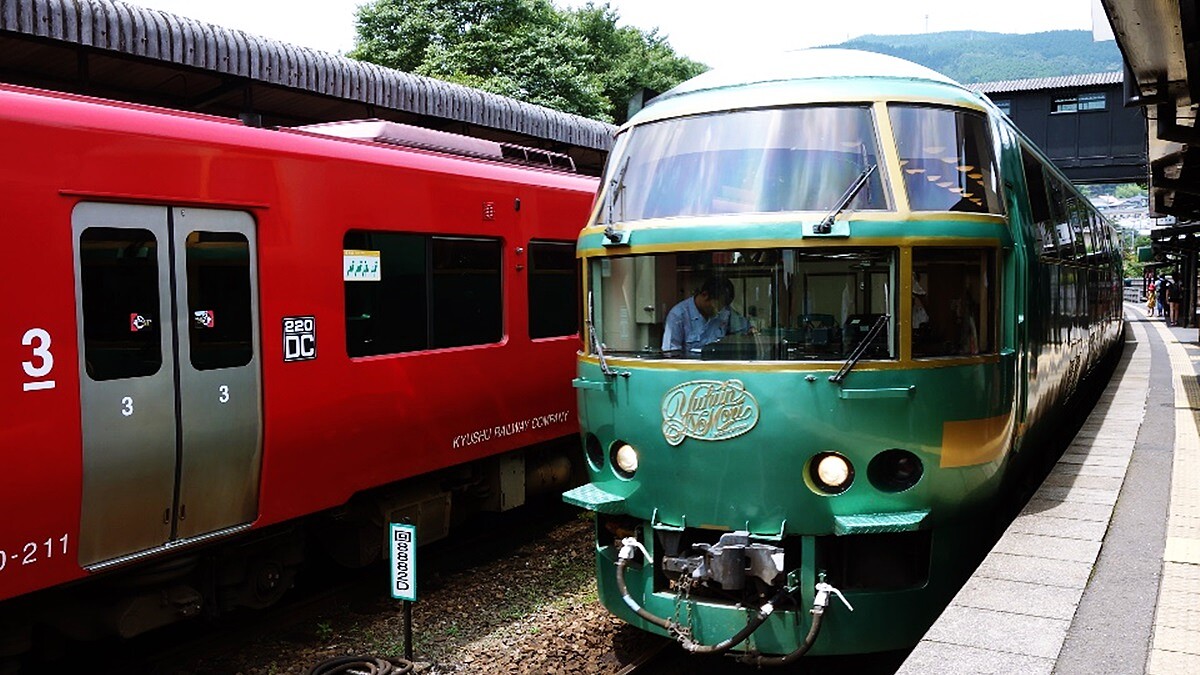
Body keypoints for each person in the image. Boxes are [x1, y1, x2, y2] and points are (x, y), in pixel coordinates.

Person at [661, 276, 747, 356]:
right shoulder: (678, 316)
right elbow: (671, 354)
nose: (719, 312)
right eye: (717, 306)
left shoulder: (725, 313)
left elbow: (744, 328)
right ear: (705, 295)